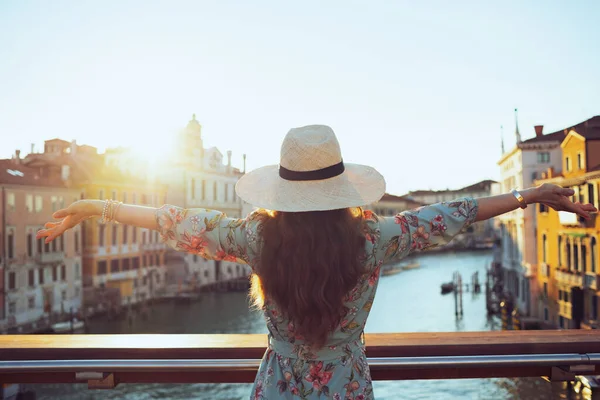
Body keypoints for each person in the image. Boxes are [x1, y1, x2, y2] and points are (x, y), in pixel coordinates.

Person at [37, 125, 596, 399]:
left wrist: (94, 205)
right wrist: (527, 197)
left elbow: (171, 217)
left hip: (278, 384)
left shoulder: (255, 239)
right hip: (347, 385)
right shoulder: (374, 239)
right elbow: (453, 214)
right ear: (340, 185)